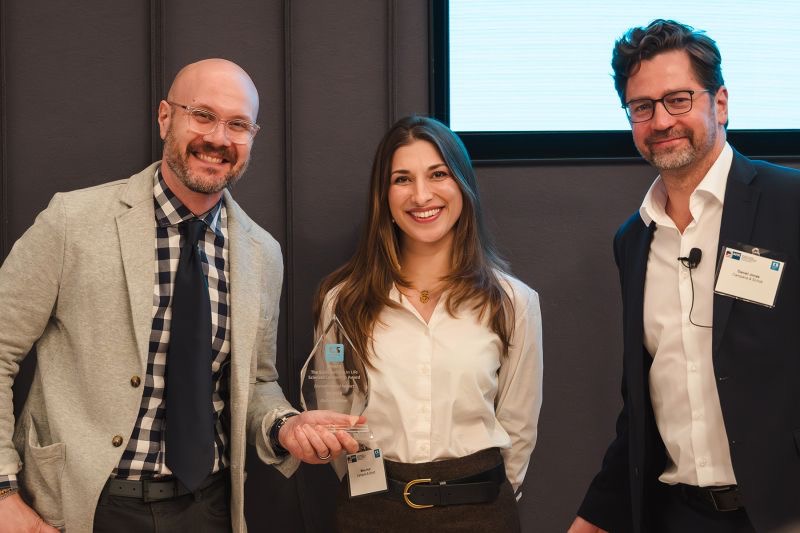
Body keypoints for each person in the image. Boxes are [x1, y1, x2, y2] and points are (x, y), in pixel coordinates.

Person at [0, 58, 361, 533]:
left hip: (207, 509)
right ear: (166, 117)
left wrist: (284, 425)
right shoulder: (72, 222)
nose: (218, 138)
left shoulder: (261, 253)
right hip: (80, 507)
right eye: (203, 115)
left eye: (238, 124)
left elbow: (254, 383)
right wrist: (3, 493)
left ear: (253, 137)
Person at [569, 20, 800, 533]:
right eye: (642, 107)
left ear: (719, 104)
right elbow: (643, 411)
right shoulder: (634, 240)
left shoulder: (790, 203)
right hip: (680, 516)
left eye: (678, 99)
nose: (660, 121)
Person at [313, 116, 543, 532]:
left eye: (438, 174)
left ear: (462, 184)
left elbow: (518, 427)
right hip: (371, 511)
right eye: (402, 179)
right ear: (383, 196)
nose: (421, 195)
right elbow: (335, 423)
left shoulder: (513, 303)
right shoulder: (342, 302)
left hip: (481, 512)